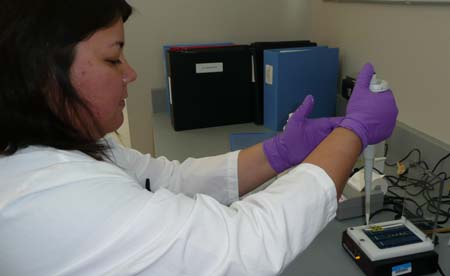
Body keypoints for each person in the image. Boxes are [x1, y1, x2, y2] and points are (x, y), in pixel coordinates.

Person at [0, 0, 398, 275]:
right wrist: (353, 131)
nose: (130, 73)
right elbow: (245, 247)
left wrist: (280, 152)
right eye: (112, 57)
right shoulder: (49, 198)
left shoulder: (66, 148)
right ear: (42, 75)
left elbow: (170, 180)